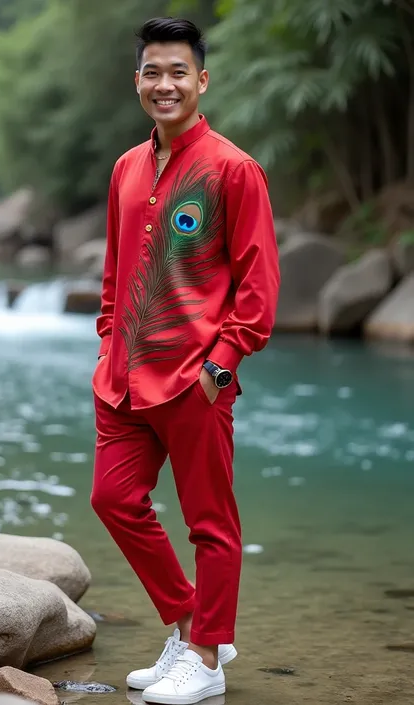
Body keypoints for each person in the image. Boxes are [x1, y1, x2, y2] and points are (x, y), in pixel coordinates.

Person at [91, 16, 280, 705]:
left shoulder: (234, 169)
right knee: (112, 498)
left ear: (202, 80)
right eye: (152, 72)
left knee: (210, 522)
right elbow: (114, 271)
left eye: (178, 72)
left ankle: (204, 658)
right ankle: (192, 624)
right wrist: (109, 336)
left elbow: (259, 292)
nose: (164, 84)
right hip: (122, 379)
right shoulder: (125, 168)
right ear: (136, 81)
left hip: (196, 380)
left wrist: (220, 368)